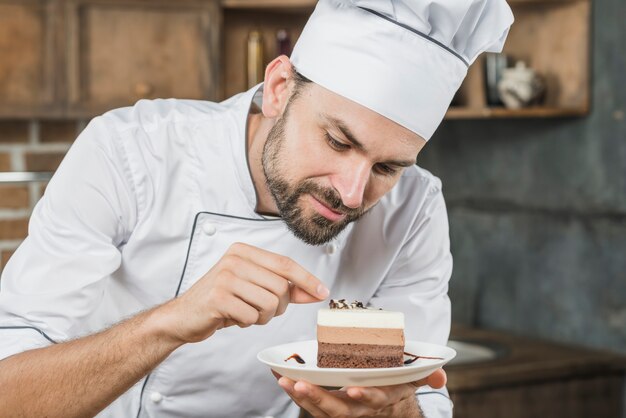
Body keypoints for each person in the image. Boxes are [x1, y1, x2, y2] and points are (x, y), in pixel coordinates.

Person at [0, 1, 513, 417]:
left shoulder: (415, 210)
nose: (353, 194)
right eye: (337, 142)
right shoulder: (132, 152)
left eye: (387, 168)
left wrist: (390, 412)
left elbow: (421, 397)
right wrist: (173, 321)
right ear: (278, 89)